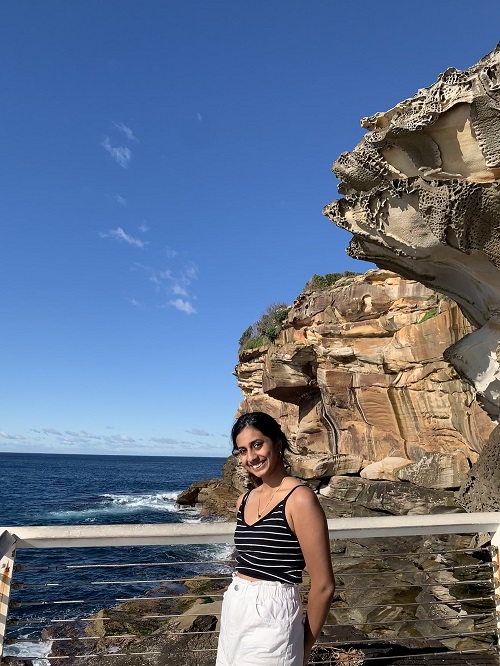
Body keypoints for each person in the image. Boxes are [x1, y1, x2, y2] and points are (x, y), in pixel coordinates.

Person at [216, 411, 335, 666]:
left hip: (273, 616)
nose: (251, 456)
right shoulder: (244, 500)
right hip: (235, 609)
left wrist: (304, 647)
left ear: (277, 444)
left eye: (257, 444)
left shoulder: (299, 499)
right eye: (243, 450)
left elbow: (324, 585)